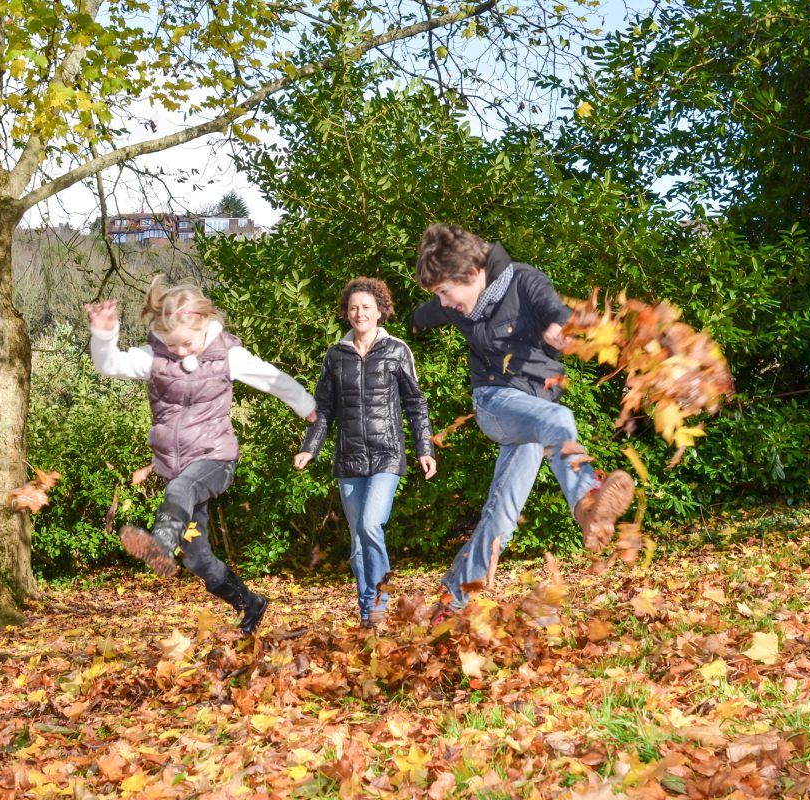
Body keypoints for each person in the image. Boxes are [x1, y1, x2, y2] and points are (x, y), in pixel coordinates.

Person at [410, 223, 636, 622]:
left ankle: (451, 603)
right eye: (439, 296)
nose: (445, 303)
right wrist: (397, 318)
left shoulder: (523, 281)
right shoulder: (452, 302)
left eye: (446, 292)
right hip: (495, 404)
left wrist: (562, 330)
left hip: (533, 417)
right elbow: (420, 315)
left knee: (501, 518)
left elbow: (553, 309)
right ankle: (586, 504)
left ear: (470, 274)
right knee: (558, 418)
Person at [87, 280, 318, 636]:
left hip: (215, 460)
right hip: (177, 471)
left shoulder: (227, 355)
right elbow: (110, 365)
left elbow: (274, 379)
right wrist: (104, 335)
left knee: (180, 489)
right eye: (173, 343)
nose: (180, 351)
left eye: (188, 343)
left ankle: (161, 542)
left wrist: (307, 407)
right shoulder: (155, 359)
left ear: (206, 325)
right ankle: (250, 603)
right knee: (197, 559)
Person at [293, 277, 437, 628]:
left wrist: (424, 448)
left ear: (380, 311)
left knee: (372, 525)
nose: (360, 313)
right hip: (349, 460)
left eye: (367, 307)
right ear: (346, 313)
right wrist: (309, 448)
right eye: (354, 307)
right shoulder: (335, 355)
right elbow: (323, 409)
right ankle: (366, 615)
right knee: (358, 543)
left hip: (387, 455)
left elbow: (416, 403)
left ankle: (379, 605)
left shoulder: (397, 350)